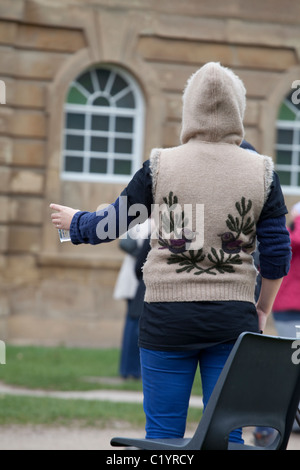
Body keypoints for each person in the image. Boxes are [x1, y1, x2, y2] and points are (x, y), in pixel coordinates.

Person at [50, 62, 291, 444]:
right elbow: (277, 255)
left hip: (166, 317)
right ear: (238, 110)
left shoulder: (161, 165)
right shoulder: (262, 171)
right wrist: (261, 308)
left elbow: (113, 224)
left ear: (189, 109)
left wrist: (75, 222)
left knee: (161, 437)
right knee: (227, 436)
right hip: (232, 319)